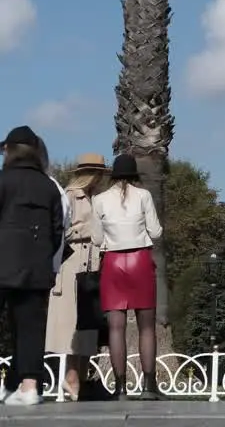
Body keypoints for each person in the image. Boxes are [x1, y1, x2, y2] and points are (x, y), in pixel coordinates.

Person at [0, 126, 65, 406]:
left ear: (10, 151)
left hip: (2, 263)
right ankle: (29, 387)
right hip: (37, 266)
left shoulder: (3, 181)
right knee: (30, 327)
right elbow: (58, 228)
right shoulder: (48, 185)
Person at [90, 155, 163, 400]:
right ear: (134, 175)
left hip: (113, 261)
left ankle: (120, 388)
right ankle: (149, 387)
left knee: (116, 327)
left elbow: (97, 239)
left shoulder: (99, 199)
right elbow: (155, 231)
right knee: (146, 326)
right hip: (140, 259)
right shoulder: (143, 196)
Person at [47, 154, 111, 400]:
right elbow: (63, 230)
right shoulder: (70, 196)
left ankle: (80, 379)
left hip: (90, 267)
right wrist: (90, 229)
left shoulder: (94, 198)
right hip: (73, 266)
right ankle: (72, 378)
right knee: (73, 328)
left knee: (87, 327)